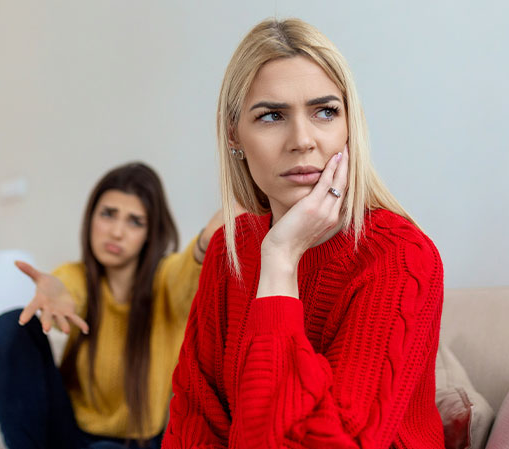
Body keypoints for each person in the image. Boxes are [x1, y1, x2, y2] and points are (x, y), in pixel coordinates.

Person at [163, 18, 445, 449]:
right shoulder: (229, 252)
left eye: (325, 111)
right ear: (233, 133)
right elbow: (193, 429)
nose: (302, 139)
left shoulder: (401, 257)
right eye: (272, 115)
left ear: (350, 127)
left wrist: (279, 262)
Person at [0, 162, 225, 449]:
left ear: (149, 233)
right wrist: (58, 292)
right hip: (70, 433)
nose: (116, 232)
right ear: (91, 219)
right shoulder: (76, 276)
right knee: (10, 326)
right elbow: (68, 287)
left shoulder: (166, 279)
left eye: (134, 221)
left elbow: (186, 270)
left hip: (143, 442)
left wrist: (204, 244)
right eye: (108, 215)